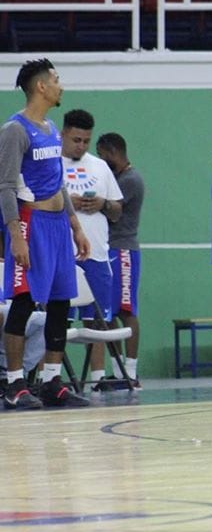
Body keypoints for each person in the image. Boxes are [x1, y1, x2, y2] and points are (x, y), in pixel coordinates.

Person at [0, 58, 91, 409]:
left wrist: (75, 225)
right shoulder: (15, 130)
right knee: (23, 302)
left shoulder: (52, 129)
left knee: (59, 302)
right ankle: (14, 384)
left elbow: (58, 184)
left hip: (57, 228)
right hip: (30, 223)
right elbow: (6, 187)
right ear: (41, 87)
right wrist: (16, 236)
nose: (60, 85)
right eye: (55, 79)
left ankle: (53, 382)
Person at [60, 109, 125, 389]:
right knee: (55, 320)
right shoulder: (51, 165)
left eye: (86, 141)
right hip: (62, 254)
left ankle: (98, 379)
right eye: (76, 140)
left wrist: (102, 204)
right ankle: (49, 376)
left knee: (98, 321)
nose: (81, 146)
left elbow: (117, 210)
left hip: (97, 253)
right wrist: (66, 202)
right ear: (63, 134)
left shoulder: (100, 167)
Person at [96, 132, 145, 387]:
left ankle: (132, 371)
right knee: (109, 313)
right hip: (108, 250)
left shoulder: (130, 180)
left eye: (103, 155)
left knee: (126, 311)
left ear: (113, 152)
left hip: (123, 251)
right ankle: (117, 371)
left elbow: (112, 211)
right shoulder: (116, 178)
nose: (101, 162)